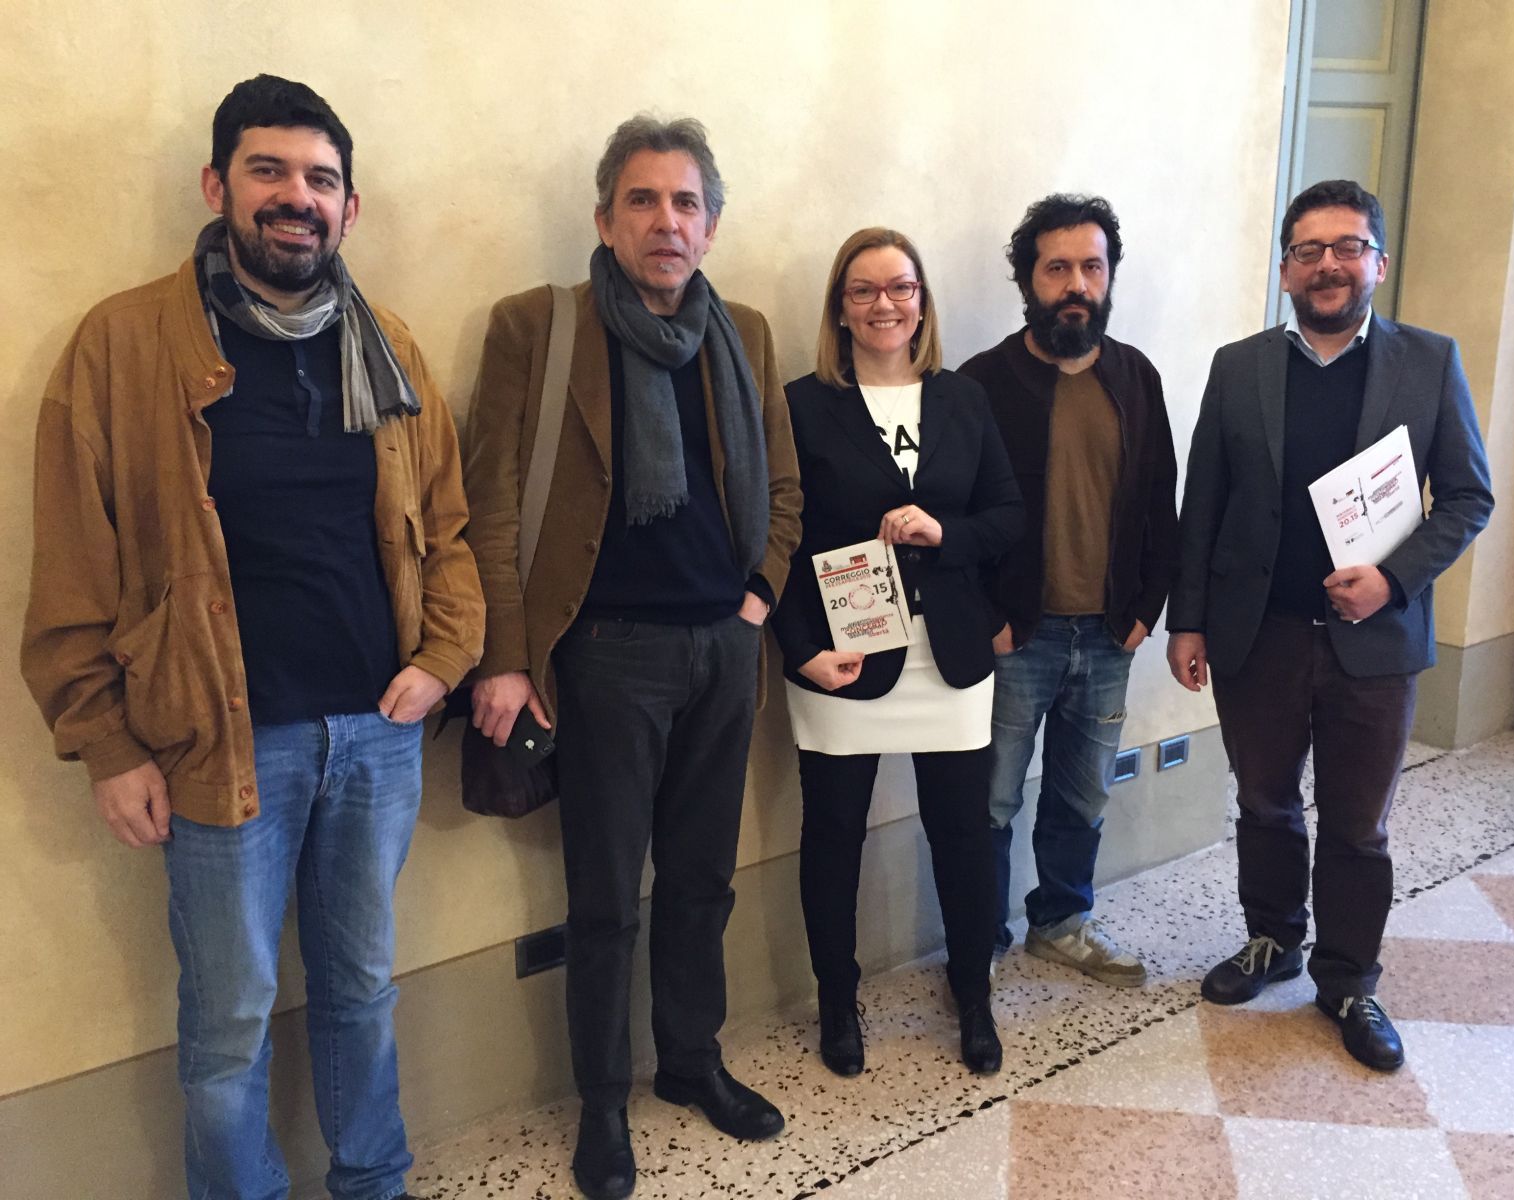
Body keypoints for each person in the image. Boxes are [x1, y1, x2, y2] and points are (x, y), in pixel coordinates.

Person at [19, 75, 483, 1200]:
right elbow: (74, 561)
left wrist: (441, 661)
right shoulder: (123, 344)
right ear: (216, 186)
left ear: (349, 207)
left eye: (320, 179)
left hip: (373, 734)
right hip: (217, 744)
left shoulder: (388, 347)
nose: (296, 197)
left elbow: (449, 530)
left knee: (362, 989)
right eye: (267, 170)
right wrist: (108, 744)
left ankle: (373, 1183)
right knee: (229, 1019)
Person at [461, 115, 802, 1200]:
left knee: (702, 880)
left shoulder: (744, 334)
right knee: (605, 898)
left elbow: (782, 488)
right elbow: (489, 504)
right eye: (643, 201)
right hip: (604, 658)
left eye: (686, 203)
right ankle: (603, 1101)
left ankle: (691, 1061)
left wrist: (757, 600)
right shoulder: (540, 327)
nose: (667, 221)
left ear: (711, 225)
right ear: (605, 218)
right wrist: (503, 657)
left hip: (723, 653)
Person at [1166, 179, 1493, 1071]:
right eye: (1308, 250)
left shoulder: (1429, 362)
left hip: (1375, 645)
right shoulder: (1238, 367)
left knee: (1357, 825)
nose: (1329, 265)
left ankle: (1348, 979)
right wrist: (1187, 623)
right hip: (1259, 636)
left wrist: (1393, 580)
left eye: (1349, 247)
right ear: (1285, 271)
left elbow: (1469, 497)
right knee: (1264, 802)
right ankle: (1273, 939)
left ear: (1378, 264)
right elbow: (1205, 504)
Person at [772, 227, 1023, 1078]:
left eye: (901, 287)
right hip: (842, 658)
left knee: (962, 832)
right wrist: (798, 650)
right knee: (833, 835)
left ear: (922, 302)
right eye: (865, 290)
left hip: (948, 657)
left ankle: (973, 994)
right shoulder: (801, 405)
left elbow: (1007, 516)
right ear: (840, 309)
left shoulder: (963, 400)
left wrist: (944, 533)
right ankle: (837, 1002)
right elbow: (777, 536)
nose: (885, 304)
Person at [959, 195, 1177, 986]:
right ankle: (979, 937)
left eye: (1091, 266)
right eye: (1057, 268)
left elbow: (1162, 504)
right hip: (1018, 636)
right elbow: (957, 517)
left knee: (1083, 797)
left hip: (1109, 633)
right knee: (991, 801)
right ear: (1029, 280)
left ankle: (1060, 922)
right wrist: (989, 618)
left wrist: (1145, 612)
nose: (1076, 284)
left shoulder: (1136, 377)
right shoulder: (982, 382)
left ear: (1109, 276)